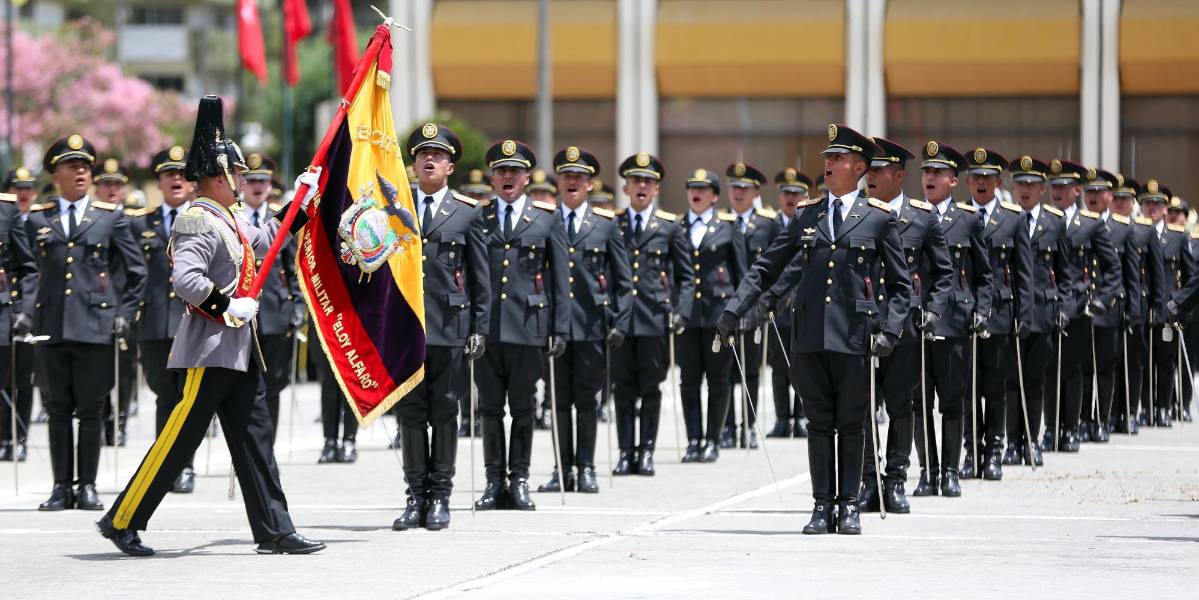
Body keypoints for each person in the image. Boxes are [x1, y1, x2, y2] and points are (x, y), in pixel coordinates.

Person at [96, 95, 324, 556]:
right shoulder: (197, 218)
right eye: (237, 175)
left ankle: (275, 530)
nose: (242, 181)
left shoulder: (231, 217)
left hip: (240, 349)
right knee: (179, 439)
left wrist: (303, 197)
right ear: (219, 178)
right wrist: (227, 306)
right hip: (211, 346)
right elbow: (187, 280)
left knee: (255, 440)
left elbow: (268, 239)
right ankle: (122, 519)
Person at [722, 124, 912, 534]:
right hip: (808, 335)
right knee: (818, 423)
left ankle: (849, 506)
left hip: (854, 336)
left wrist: (891, 333)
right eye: (827, 158)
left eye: (837, 159)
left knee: (851, 422)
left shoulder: (878, 219)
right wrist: (735, 309)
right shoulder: (807, 214)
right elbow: (767, 266)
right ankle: (822, 506)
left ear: (859, 167)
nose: (828, 164)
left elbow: (900, 286)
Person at [24, 135, 147, 512]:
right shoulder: (36, 219)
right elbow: (26, 270)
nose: (80, 172)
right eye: (71, 166)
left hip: (96, 325)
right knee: (58, 408)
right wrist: (24, 312)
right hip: (52, 324)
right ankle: (62, 486)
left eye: (85, 166)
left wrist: (124, 314)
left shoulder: (110, 218)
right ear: (55, 174)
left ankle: (88, 485)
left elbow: (135, 270)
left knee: (92, 408)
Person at [392, 123, 488, 531]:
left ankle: (440, 497)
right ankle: (415, 496)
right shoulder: (394, 208)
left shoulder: (468, 213)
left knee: (446, 410)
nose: (428, 160)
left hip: (449, 326)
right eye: (421, 154)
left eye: (437, 155)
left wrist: (479, 326)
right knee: (411, 413)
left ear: (450, 166)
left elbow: (480, 276)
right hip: (405, 326)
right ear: (412, 164)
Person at [472, 140, 569, 511]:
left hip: (529, 328)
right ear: (493, 178)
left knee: (524, 408)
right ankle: (494, 481)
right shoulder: (479, 218)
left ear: (527, 177)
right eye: (501, 171)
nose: (507, 176)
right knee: (490, 410)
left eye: (514, 171)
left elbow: (560, 281)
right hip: (488, 329)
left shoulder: (547, 219)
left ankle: (520, 479)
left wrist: (559, 329)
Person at [857, 137, 952, 512]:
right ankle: (867, 482)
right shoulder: (857, 213)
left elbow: (943, 273)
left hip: (905, 328)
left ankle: (895, 479)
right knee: (861, 407)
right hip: (863, 325)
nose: (871, 176)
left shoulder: (921, 217)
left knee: (901, 404)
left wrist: (932, 309)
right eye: (869, 169)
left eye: (879, 170)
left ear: (899, 175)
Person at [536, 146, 631, 494]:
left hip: (592, 325)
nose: (572, 182)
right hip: (553, 327)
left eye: (580, 177)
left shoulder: (605, 224)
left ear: (590, 185)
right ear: (559, 181)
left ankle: (586, 467)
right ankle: (562, 469)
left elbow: (623, 279)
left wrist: (620, 321)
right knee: (558, 399)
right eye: (567, 176)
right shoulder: (544, 220)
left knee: (587, 399)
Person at [904, 141, 992, 497]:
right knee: (918, 401)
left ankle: (951, 471)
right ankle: (928, 470)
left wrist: (981, 310)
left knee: (952, 400)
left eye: (938, 173)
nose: (930, 178)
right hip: (916, 321)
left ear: (953, 181)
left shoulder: (968, 220)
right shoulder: (909, 217)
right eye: (926, 172)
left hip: (954, 321)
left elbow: (984, 274)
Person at [610, 152, 693, 476]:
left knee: (649, 387)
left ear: (656, 189)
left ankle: (646, 451)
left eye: (648, 181)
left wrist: (680, 311)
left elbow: (686, 277)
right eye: (635, 181)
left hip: (653, 318)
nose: (641, 186)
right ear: (626, 187)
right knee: (622, 388)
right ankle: (625, 451)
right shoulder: (613, 224)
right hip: (621, 320)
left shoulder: (669, 227)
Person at [962, 148, 1033, 476]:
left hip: (1001, 314)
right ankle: (970, 450)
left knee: (994, 386)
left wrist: (1025, 313)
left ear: (998, 181)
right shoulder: (959, 217)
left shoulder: (1013, 219)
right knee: (966, 388)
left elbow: (1024, 273)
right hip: (963, 313)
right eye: (975, 177)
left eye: (987, 177)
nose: (980, 182)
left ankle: (993, 451)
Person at [130, 146, 197, 493]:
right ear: (158, 180)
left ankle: (185, 465)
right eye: (168, 174)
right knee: (163, 396)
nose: (175, 179)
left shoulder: (205, 219)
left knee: (187, 398)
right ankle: (163, 464)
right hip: (155, 322)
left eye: (182, 173)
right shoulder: (141, 221)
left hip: (192, 322)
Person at [1043, 159, 1120, 451]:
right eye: (1054, 186)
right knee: (1050, 370)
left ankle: (1071, 428)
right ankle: (1051, 428)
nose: (1058, 191)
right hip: (1049, 305)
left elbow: (1113, 268)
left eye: (1064, 186)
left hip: (1078, 305)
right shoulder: (1043, 221)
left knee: (1074, 369)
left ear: (1077, 190)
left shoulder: (1090, 224)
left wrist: (1101, 299)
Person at [675, 168, 745, 465]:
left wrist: (741, 312)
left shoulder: (729, 228)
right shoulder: (676, 227)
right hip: (688, 316)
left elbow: (742, 274)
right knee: (689, 380)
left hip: (719, 315)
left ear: (715, 196)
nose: (697, 193)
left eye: (704, 189)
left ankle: (713, 439)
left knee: (718, 379)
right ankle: (694, 440)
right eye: (693, 187)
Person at [1002, 156, 1067, 468]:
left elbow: (1066, 272)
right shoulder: (1007, 219)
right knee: (1011, 380)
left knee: (1034, 379)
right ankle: (1012, 442)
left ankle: (1032, 439)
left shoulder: (1055, 224)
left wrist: (1064, 306)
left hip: (1043, 312)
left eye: (1031, 184)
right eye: (1020, 183)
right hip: (1012, 310)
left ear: (1043, 188)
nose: (1025, 189)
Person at [240, 153, 304, 440]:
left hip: (276, 313)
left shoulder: (282, 218)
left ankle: (268, 448)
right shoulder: (233, 216)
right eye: (252, 180)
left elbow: (293, 268)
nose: (257, 186)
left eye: (263, 180)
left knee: (273, 386)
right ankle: (246, 444)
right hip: (240, 315)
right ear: (242, 183)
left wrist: (297, 306)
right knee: (243, 386)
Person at [719, 162, 775, 450]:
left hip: (755, 305)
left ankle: (750, 425)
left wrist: (770, 296)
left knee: (750, 368)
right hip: (728, 306)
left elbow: (783, 263)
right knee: (727, 367)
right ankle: (727, 426)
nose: (738, 193)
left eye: (744, 188)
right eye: (734, 187)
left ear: (756, 192)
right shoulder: (721, 224)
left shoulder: (768, 223)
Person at [1081, 167, 1137, 442]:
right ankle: (1082, 420)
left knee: (1105, 368)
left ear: (1109, 196)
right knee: (1081, 368)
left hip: (1110, 307)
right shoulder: (1076, 223)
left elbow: (1130, 273)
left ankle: (1103, 418)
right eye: (1088, 191)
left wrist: (1132, 310)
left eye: (1098, 191)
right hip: (1081, 306)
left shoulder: (1123, 229)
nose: (1092, 196)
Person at [1108, 177, 1166, 433]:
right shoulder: (1105, 228)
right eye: (1117, 198)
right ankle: (1111, 412)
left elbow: (1157, 273)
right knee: (1111, 360)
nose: (1121, 203)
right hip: (1112, 303)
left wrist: (1158, 306)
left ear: (1133, 203)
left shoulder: (1144, 230)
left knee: (1133, 360)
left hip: (1138, 304)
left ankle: (1130, 411)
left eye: (1125, 199)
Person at [94, 158, 137, 447]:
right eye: (106, 184)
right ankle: (104, 416)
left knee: (125, 367)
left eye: (117, 184)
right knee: (99, 368)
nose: (112, 189)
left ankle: (119, 420)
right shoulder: (92, 219)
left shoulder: (136, 220)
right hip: (97, 305)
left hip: (127, 303)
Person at [764, 168, 809, 439]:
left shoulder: (811, 222)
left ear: (805, 196)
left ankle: (801, 417)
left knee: (803, 366)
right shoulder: (770, 226)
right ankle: (782, 418)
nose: (791, 198)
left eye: (796, 193)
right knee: (779, 366)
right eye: (786, 193)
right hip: (778, 306)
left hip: (805, 304)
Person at [0, 168, 38, 463]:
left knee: (18, 377)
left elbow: (29, 268)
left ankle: (16, 436)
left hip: (14, 309)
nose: (23, 192)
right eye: (18, 186)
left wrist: (23, 308)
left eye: (29, 187)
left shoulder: (14, 213)